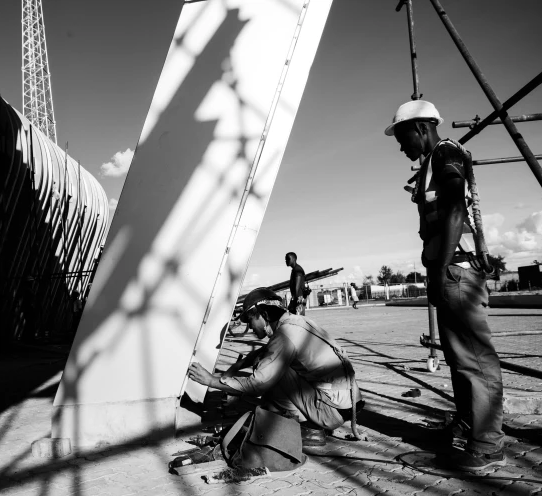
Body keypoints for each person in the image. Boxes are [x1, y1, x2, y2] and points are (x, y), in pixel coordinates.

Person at [386, 100, 504, 472]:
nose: (401, 146)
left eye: (402, 136)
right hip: (450, 269)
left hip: (456, 272)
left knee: (474, 359)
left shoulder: (445, 152)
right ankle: (470, 429)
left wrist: (438, 271)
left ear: (421, 128)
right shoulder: (432, 161)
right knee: (459, 358)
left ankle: (487, 445)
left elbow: (454, 208)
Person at [188, 288, 364, 446]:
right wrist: (239, 364)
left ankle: (303, 428)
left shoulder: (284, 336)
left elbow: (257, 384)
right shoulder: (296, 323)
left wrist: (211, 381)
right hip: (346, 405)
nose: (249, 327)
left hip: (330, 412)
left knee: (268, 371)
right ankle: (301, 420)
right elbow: (266, 350)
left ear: (263, 314)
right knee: (269, 361)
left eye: (250, 320)